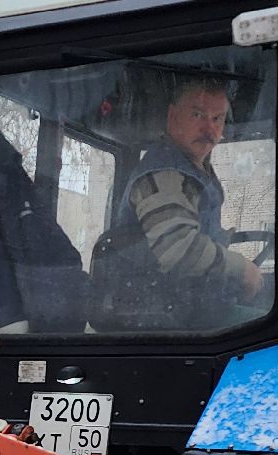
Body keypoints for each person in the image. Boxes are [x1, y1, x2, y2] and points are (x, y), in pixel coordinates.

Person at [96, 78, 264, 328]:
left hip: (184, 311)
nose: (209, 128)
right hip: (167, 320)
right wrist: (242, 269)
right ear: (173, 117)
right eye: (198, 115)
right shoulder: (164, 172)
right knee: (273, 327)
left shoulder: (190, 169)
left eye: (217, 119)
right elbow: (179, 250)